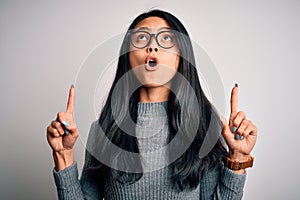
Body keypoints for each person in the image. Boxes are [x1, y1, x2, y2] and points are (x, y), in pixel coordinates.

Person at [46, 9, 258, 200]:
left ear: (181, 56)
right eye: (141, 38)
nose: (152, 47)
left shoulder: (205, 127)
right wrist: (63, 155)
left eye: (166, 38)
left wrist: (238, 158)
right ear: (128, 57)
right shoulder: (103, 130)